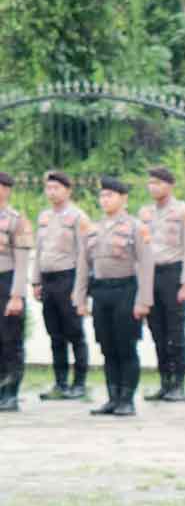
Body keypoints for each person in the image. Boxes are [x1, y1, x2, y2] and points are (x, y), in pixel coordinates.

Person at [72, 176, 154, 416]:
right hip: (101, 292)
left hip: (126, 291)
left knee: (125, 345)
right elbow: (83, 265)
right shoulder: (93, 228)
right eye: (103, 195)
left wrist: (144, 300)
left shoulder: (136, 227)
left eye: (110, 195)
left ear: (123, 199)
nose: (105, 199)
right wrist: (79, 298)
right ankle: (112, 397)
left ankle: (127, 399)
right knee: (107, 346)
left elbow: (147, 264)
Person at [140, 166, 185, 402]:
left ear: (170, 185)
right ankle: (165, 382)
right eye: (151, 183)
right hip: (150, 275)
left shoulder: (183, 212)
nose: (153, 187)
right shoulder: (145, 213)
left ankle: (179, 384)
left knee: (175, 332)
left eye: (158, 183)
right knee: (157, 332)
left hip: (172, 274)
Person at [32, 170, 90, 400]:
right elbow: (39, 251)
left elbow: (84, 255)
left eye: (56, 188)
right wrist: (36, 280)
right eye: (48, 188)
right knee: (55, 334)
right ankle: (60, 382)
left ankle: (80, 383)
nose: (52, 192)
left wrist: (80, 289)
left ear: (68, 190)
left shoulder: (77, 217)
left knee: (74, 332)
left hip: (69, 278)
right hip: (48, 280)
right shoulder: (44, 217)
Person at [0, 172, 32, 411]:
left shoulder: (16, 220)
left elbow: (22, 261)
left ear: (7, 190)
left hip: (7, 282)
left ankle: (10, 392)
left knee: (10, 340)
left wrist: (16, 295)